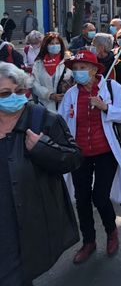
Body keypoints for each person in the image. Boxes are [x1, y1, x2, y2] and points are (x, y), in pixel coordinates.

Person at [58, 51, 121, 264]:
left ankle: (111, 231)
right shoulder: (71, 94)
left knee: (100, 196)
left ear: (95, 69)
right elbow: (61, 120)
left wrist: (105, 106)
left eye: (83, 67)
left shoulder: (112, 88)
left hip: (106, 152)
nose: (78, 72)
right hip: (80, 154)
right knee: (82, 199)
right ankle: (89, 241)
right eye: (75, 68)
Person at [0, 62, 82, 286]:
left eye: (19, 91)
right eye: (5, 93)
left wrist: (42, 148)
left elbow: (74, 158)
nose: (14, 97)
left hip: (25, 225)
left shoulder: (43, 119)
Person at [31, 33, 72, 113]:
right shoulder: (39, 63)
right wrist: (49, 95)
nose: (54, 45)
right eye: (51, 43)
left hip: (65, 106)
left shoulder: (69, 61)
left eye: (57, 43)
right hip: (45, 106)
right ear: (46, 45)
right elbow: (34, 83)